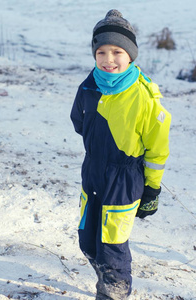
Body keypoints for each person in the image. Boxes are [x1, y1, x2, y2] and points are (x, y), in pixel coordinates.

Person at [70, 9, 171, 300]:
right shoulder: (89, 86)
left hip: (124, 179)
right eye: (101, 51)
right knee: (88, 241)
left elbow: (157, 149)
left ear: (130, 55)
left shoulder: (144, 97)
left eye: (117, 51)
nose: (108, 59)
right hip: (92, 173)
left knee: (112, 246)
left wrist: (151, 189)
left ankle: (114, 289)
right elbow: (79, 121)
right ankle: (106, 275)